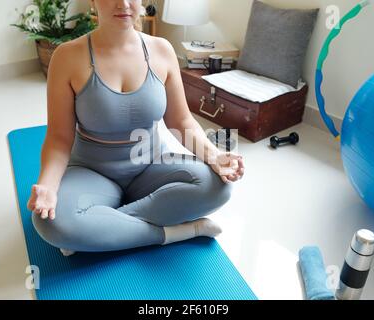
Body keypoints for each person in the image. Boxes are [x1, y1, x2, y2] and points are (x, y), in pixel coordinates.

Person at [26, 0, 245, 256]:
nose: (124, 4)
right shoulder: (67, 56)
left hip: (151, 166)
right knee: (49, 221)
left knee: (219, 186)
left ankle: (98, 228)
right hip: (91, 171)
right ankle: (179, 232)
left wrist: (215, 156)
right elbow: (59, 138)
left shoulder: (162, 50)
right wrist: (49, 186)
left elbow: (182, 121)